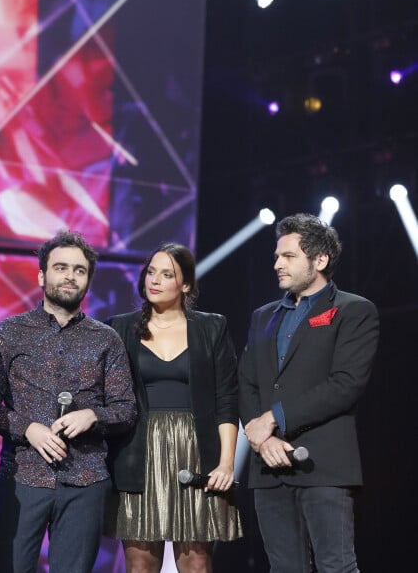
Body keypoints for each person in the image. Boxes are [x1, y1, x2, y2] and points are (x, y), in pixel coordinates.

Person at [0, 230, 137, 573]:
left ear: (88, 280)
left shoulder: (106, 339)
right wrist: (29, 429)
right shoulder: (10, 333)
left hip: (85, 480)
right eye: (61, 267)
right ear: (42, 275)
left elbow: (126, 408)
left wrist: (92, 416)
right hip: (22, 477)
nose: (70, 276)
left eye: (79, 270)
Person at [238, 213, 380, 573]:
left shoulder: (354, 310)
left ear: (320, 260)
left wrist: (273, 418)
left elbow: (345, 384)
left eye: (288, 256)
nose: (277, 264)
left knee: (337, 566)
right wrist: (262, 438)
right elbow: (247, 383)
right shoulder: (262, 316)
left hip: (325, 464)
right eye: (276, 256)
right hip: (269, 468)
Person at [105, 242, 242, 573]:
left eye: (167, 274)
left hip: (196, 452)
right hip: (138, 453)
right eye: (151, 272)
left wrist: (225, 464)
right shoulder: (119, 327)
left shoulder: (211, 327)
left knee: (196, 564)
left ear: (185, 285)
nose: (154, 280)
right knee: (140, 565)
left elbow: (227, 397)